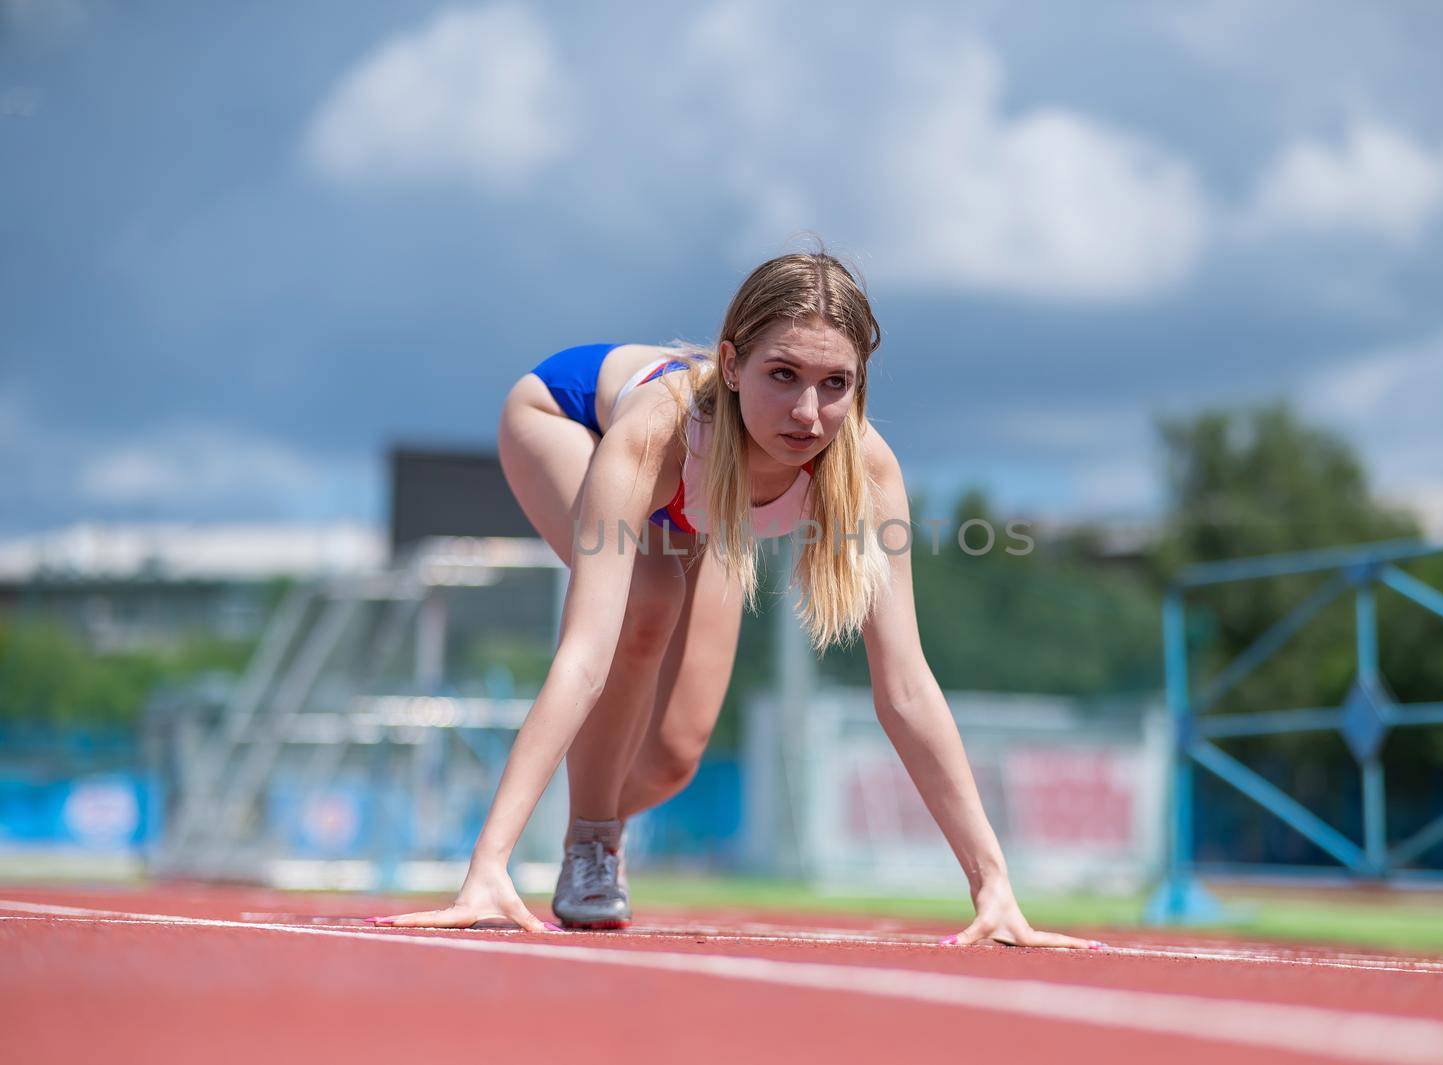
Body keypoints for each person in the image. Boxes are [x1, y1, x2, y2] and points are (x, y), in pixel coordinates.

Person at [369, 249, 1106, 949]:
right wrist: (488, 865)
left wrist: (993, 884)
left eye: (835, 384)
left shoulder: (868, 471)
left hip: (702, 503)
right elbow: (586, 654)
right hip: (565, 419)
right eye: (782, 374)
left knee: (674, 758)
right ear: (731, 362)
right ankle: (591, 841)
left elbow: (906, 685)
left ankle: (594, 816)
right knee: (649, 592)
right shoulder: (655, 435)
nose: (807, 414)